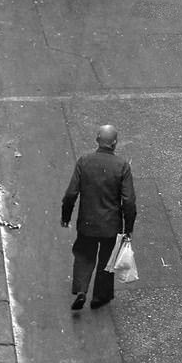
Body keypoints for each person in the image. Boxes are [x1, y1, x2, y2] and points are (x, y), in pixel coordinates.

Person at [60, 124, 136, 312]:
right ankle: (100, 297)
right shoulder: (122, 166)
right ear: (115, 143)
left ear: (97, 140)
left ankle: (81, 289)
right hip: (111, 224)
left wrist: (66, 216)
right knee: (106, 260)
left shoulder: (84, 162)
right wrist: (128, 227)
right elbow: (128, 201)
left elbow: (71, 194)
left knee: (84, 254)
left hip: (87, 222)